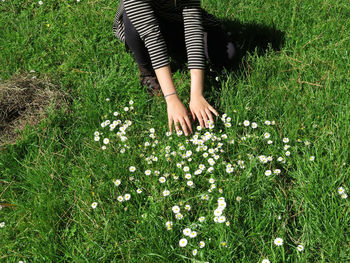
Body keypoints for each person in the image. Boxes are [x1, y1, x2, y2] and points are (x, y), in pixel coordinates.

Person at [113, 0, 236, 136]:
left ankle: (175, 48)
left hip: (176, 18)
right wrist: (171, 98)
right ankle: (147, 72)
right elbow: (152, 37)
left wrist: (196, 94)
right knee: (134, 26)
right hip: (143, 24)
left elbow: (193, 26)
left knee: (227, 54)